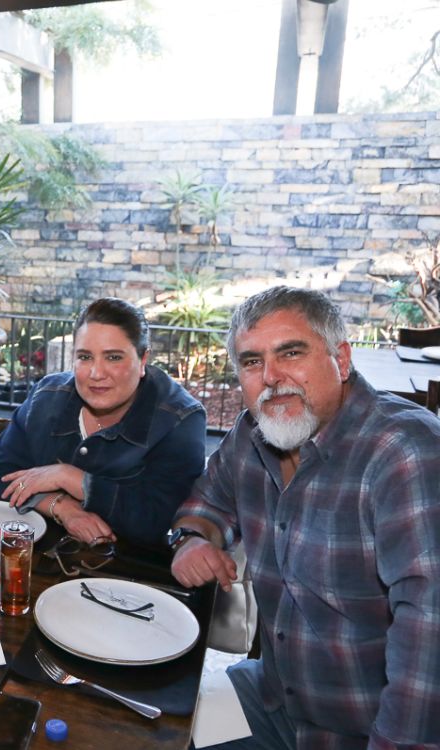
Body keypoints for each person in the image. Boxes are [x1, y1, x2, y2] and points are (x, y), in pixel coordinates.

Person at [168, 286, 440, 749]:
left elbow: (428, 641)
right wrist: (192, 538)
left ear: (342, 359)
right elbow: (207, 502)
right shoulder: (252, 432)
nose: (271, 377)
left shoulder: (405, 453)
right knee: (157, 727)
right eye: (252, 362)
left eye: (291, 353)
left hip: (363, 729)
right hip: (273, 698)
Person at [0, 297, 206, 549]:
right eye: (85, 357)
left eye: (113, 357)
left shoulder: (180, 419)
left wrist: (70, 478)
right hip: (40, 554)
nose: (96, 373)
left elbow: (159, 521)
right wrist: (63, 507)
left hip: (129, 564)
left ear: (143, 360)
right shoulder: (46, 396)